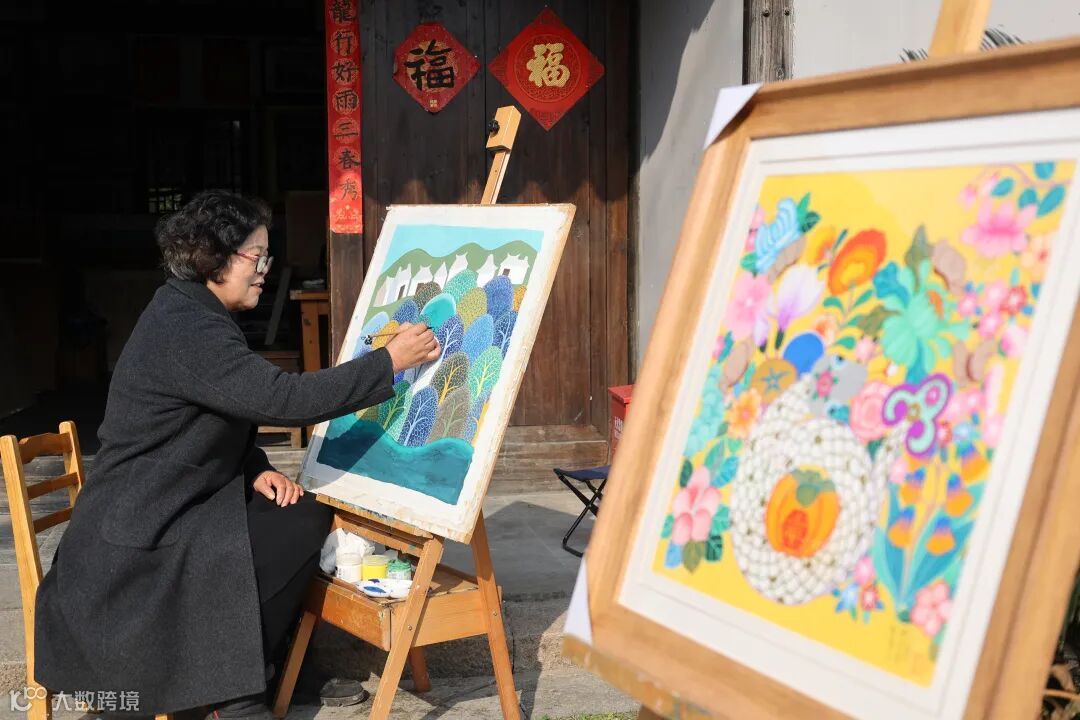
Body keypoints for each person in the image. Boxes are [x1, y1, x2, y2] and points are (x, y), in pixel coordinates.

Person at [33, 190, 441, 718]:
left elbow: (208, 415)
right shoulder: (186, 326)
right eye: (257, 257)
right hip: (140, 531)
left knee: (298, 516)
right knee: (289, 530)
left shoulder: (189, 310)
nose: (264, 271)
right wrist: (388, 362)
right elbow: (282, 399)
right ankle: (230, 691)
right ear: (215, 258)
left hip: (169, 505)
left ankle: (251, 670)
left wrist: (254, 467)